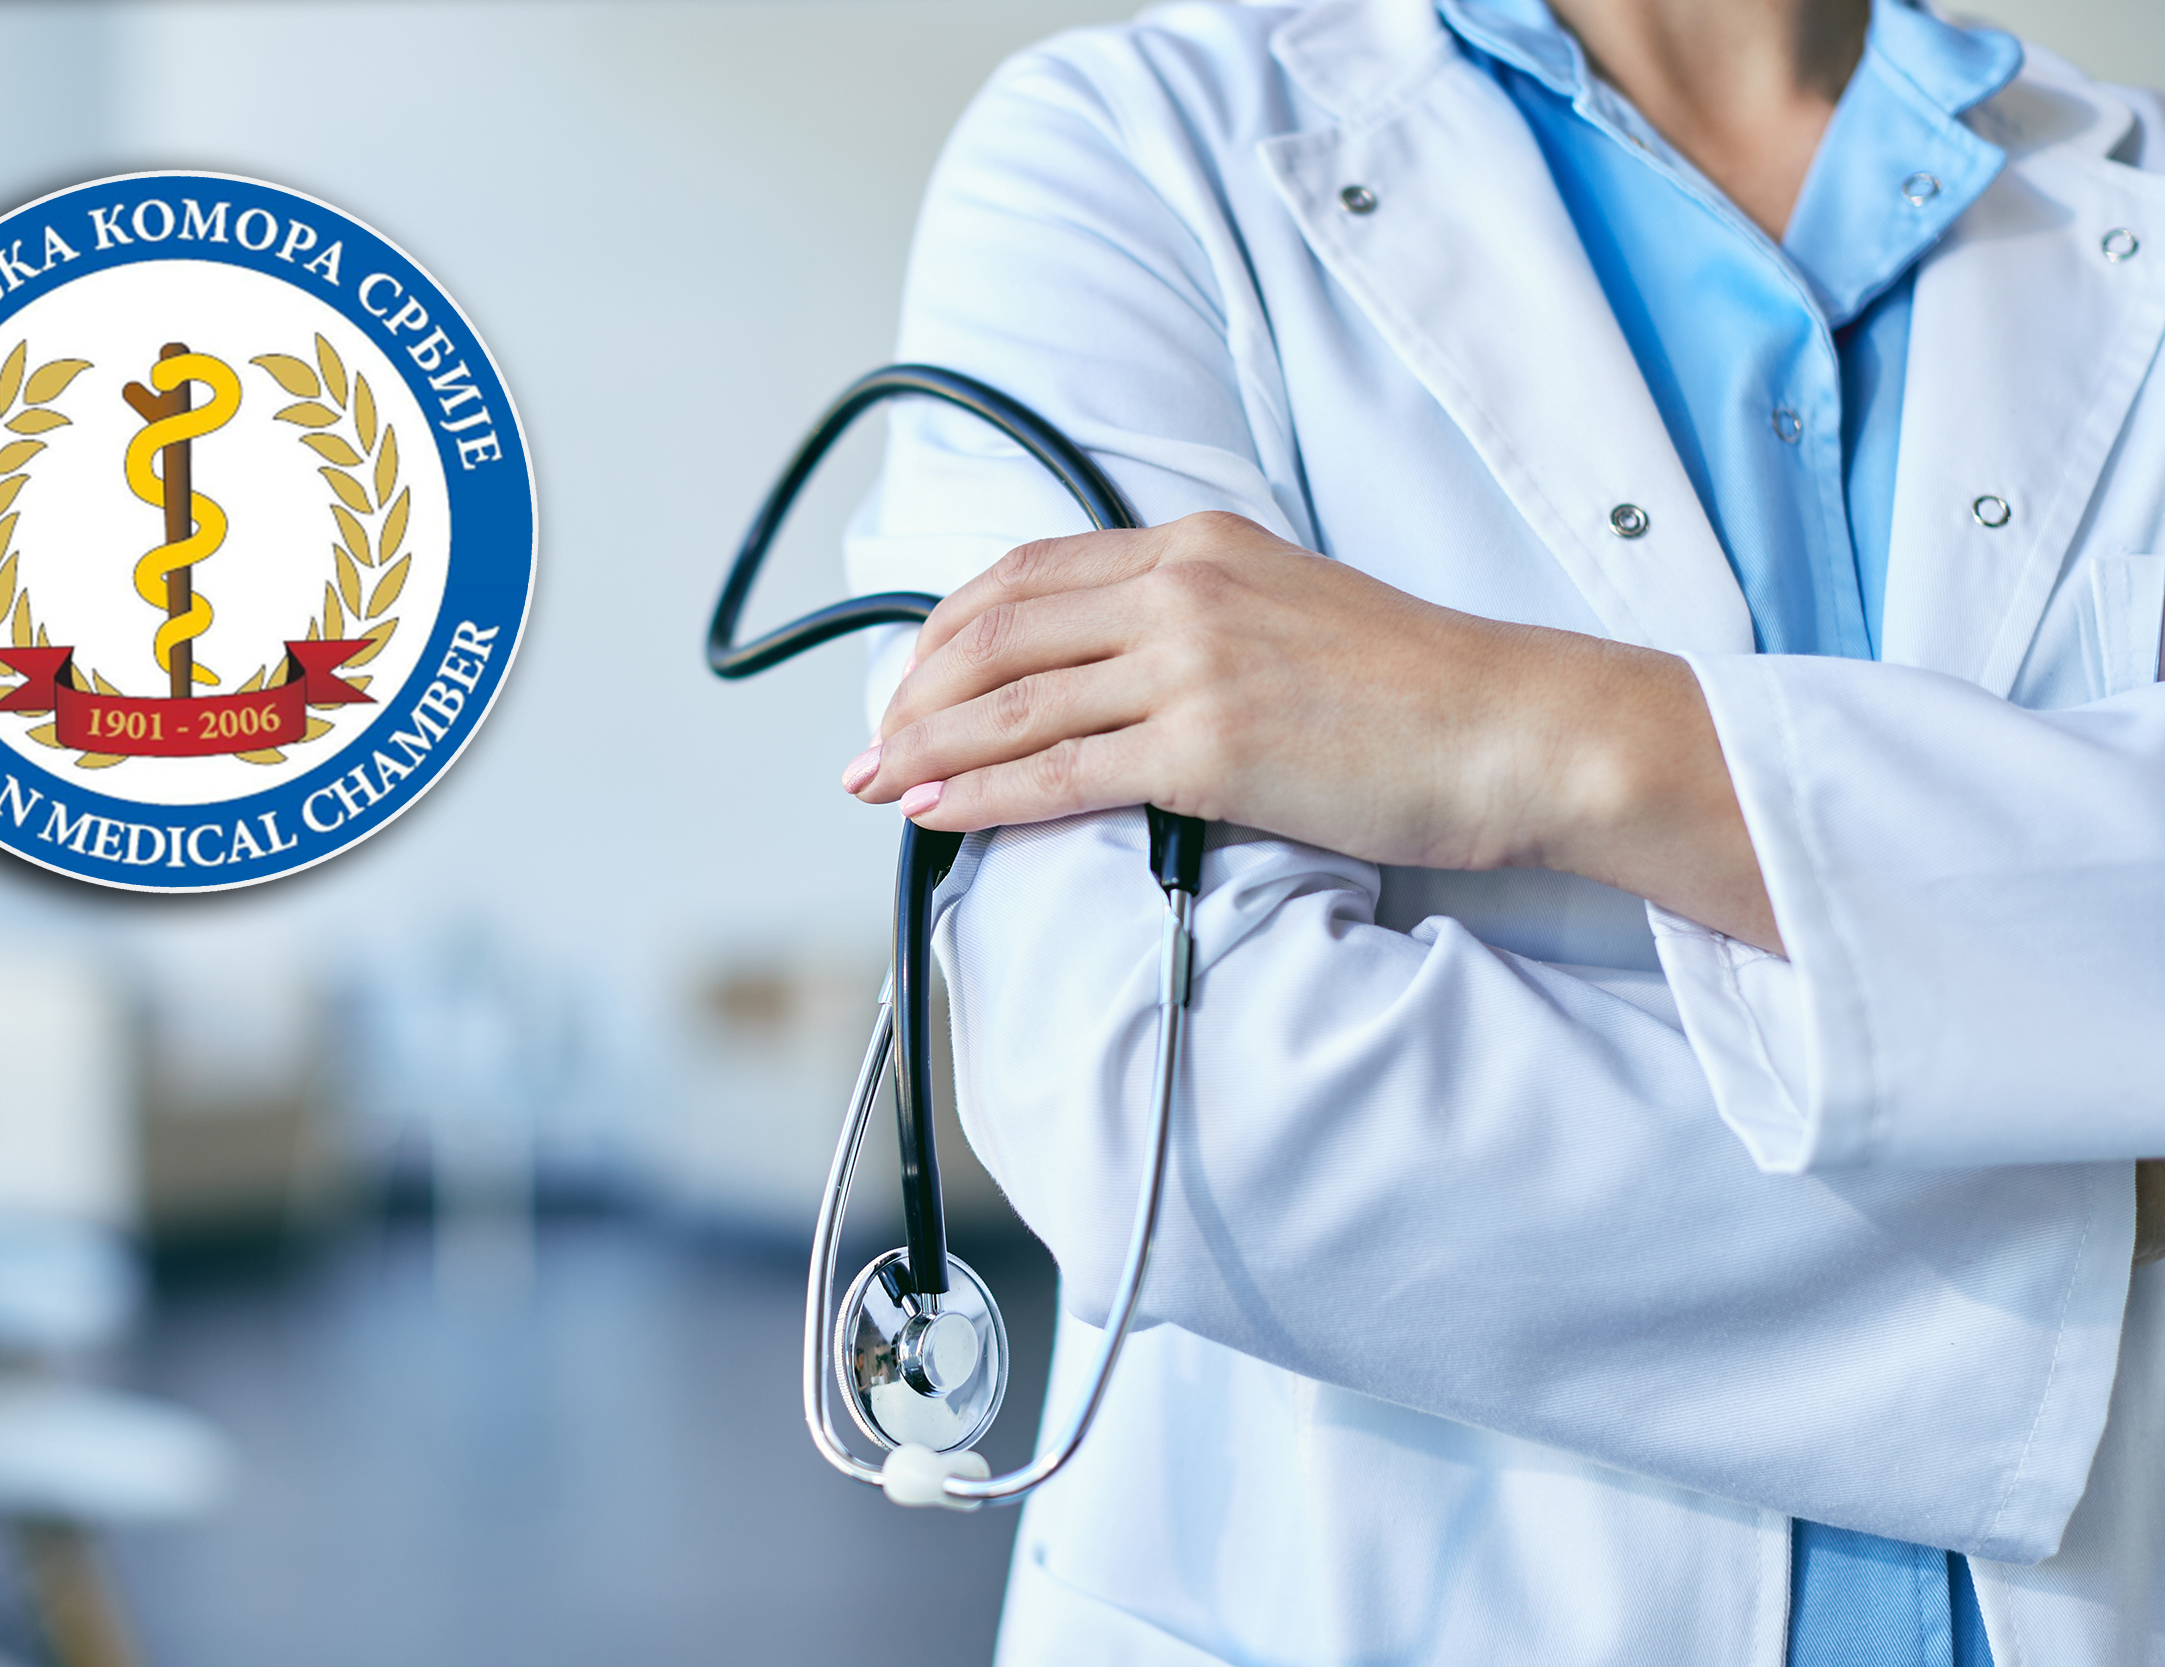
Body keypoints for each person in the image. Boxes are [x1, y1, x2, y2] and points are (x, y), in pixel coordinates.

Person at [834, 0, 2165, 1660]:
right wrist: (2114, 1184)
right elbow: (1181, 1105)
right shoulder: (1133, 155)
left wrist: (1548, 734)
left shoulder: (2134, 190)